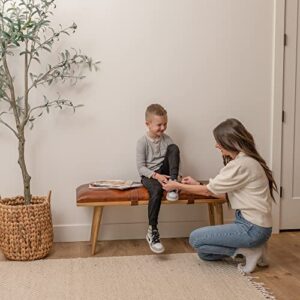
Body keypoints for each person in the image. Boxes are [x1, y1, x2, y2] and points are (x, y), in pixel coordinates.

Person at [162, 118, 277, 273]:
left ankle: (250, 251)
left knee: (195, 239)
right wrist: (198, 186)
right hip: (257, 226)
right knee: (204, 253)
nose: (216, 145)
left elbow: (210, 191)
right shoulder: (248, 161)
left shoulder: (241, 165)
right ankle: (254, 248)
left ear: (231, 142)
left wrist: (176, 185)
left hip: (251, 228)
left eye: (219, 142)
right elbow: (225, 196)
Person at [136, 104, 180, 254]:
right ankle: (152, 231)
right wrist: (156, 176)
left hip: (165, 173)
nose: (162, 128)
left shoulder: (167, 139)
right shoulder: (142, 142)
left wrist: (169, 177)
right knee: (155, 190)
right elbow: (141, 168)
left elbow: (171, 159)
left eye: (165, 124)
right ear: (148, 124)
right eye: (159, 125)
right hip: (150, 175)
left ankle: (173, 184)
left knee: (174, 148)